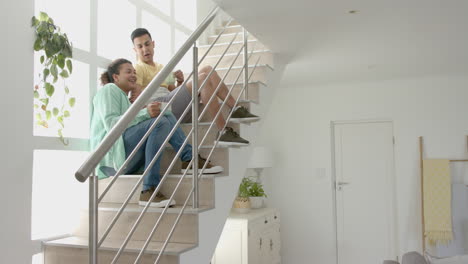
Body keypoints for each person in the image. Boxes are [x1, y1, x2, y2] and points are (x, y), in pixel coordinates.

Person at [90, 58, 223, 208]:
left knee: (163, 114)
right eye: (128, 72)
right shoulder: (109, 89)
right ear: (115, 77)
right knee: (160, 120)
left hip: (125, 157)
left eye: (134, 72)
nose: (134, 75)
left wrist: (147, 112)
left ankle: (188, 160)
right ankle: (152, 187)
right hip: (113, 158)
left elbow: (129, 126)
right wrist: (145, 114)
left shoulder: (125, 99)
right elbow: (112, 124)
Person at [129, 28, 259, 146]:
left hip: (172, 106)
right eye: (139, 47)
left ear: (153, 44)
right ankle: (222, 130)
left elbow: (173, 94)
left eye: (147, 44)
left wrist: (180, 82)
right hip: (159, 108)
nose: (144, 49)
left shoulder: (162, 68)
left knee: (207, 69)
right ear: (135, 50)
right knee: (201, 79)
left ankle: (234, 107)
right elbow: (138, 99)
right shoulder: (138, 68)